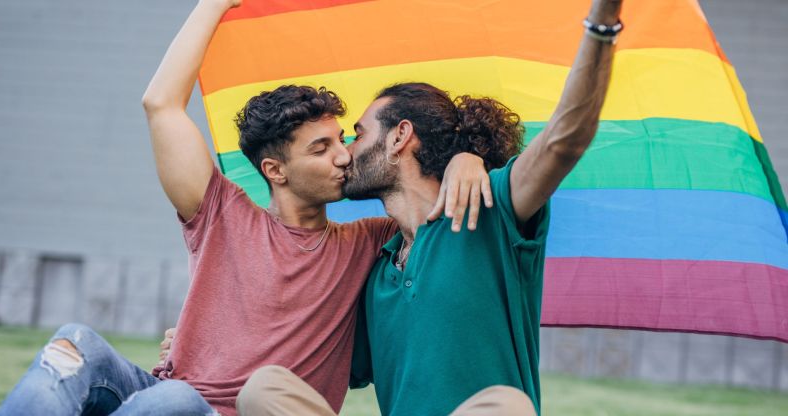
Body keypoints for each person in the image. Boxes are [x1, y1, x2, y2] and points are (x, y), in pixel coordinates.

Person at [0, 0, 491, 415]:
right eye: (320, 149)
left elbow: (432, 202)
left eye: (341, 139)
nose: (344, 155)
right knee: (74, 342)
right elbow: (161, 104)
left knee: (174, 400)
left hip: (209, 408)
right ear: (275, 171)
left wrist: (467, 160)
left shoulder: (369, 242)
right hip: (164, 397)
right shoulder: (220, 214)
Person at [239, 0, 624, 415]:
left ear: (399, 136)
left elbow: (563, 140)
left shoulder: (490, 209)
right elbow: (302, 350)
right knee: (265, 388)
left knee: (508, 406)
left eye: (357, 135)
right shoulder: (377, 269)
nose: (345, 154)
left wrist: (602, 24)